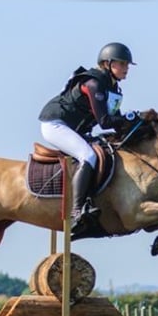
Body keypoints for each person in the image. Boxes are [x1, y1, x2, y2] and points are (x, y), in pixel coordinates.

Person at [39, 42, 138, 235]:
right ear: (108, 63)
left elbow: (113, 121)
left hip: (75, 128)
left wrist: (135, 122)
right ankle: (77, 211)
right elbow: (105, 121)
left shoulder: (114, 88)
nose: (126, 69)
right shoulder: (94, 84)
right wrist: (129, 118)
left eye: (127, 65)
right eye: (122, 64)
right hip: (55, 124)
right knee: (89, 156)